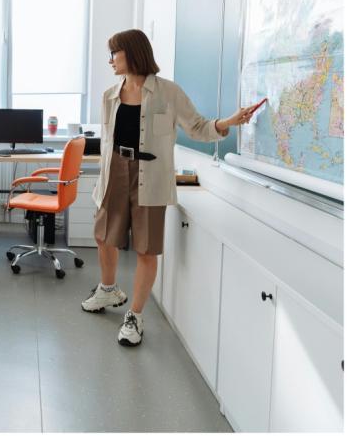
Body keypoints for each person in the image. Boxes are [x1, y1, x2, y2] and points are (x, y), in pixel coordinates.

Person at [82, 29, 254, 347]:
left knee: (146, 248)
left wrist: (227, 123)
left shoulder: (168, 93)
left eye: (114, 54)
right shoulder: (109, 95)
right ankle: (108, 290)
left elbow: (198, 127)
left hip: (151, 174)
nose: (110, 61)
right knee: (103, 235)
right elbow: (107, 142)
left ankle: (134, 316)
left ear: (132, 53)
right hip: (114, 171)